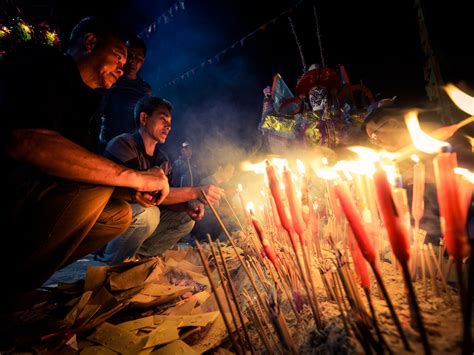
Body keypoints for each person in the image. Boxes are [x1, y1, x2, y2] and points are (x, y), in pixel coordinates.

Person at [0, 16, 170, 308]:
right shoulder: (42, 65)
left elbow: (86, 171)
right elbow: (26, 142)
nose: (122, 67)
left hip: (35, 199)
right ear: (91, 43)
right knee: (101, 184)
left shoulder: (89, 106)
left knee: (119, 213)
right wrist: (135, 178)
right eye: (119, 56)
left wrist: (131, 192)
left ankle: (20, 284)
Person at [95, 96, 225, 264]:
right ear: (144, 118)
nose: (168, 126)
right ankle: (109, 260)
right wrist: (196, 191)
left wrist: (187, 205)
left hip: (138, 222)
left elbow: (164, 200)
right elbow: (148, 194)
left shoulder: (162, 159)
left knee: (185, 218)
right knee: (148, 214)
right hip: (110, 221)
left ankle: (138, 259)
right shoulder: (123, 144)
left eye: (170, 122)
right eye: (163, 119)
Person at [98, 35, 152, 150]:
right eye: (130, 56)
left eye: (138, 58)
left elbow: (146, 121)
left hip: (133, 147)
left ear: (143, 61)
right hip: (108, 144)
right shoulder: (111, 79)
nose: (133, 61)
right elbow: (98, 114)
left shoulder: (145, 89)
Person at [191, 160, 236, 242]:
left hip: (208, 224)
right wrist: (226, 212)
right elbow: (207, 211)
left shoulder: (214, 183)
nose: (231, 175)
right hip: (203, 228)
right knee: (232, 223)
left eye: (232, 173)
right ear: (220, 168)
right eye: (229, 171)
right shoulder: (208, 183)